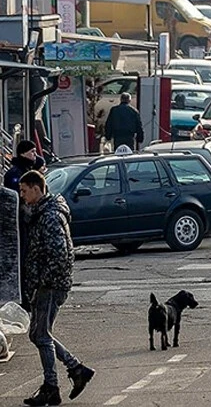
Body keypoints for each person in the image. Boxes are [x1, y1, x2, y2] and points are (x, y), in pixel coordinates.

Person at [19, 171, 94, 406]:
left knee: (40, 335)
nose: (21, 196)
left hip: (51, 286)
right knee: (39, 334)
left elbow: (60, 254)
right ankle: (76, 369)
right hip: (47, 285)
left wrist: (44, 280)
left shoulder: (50, 216)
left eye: (24, 191)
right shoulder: (42, 213)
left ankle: (52, 386)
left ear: (36, 188)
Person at [4, 140, 46, 312]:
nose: (34, 155)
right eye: (31, 151)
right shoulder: (15, 174)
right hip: (18, 225)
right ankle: (23, 299)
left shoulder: (29, 170)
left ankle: (29, 296)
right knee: (22, 261)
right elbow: (14, 199)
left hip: (26, 223)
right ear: (23, 153)